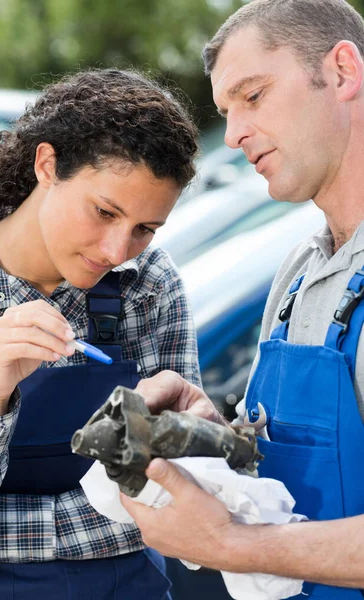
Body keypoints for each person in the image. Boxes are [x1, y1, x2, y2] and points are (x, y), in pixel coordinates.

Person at [120, 0, 364, 598]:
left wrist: (229, 545)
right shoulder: (300, 274)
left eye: (252, 96)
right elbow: (285, 478)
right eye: (226, 112)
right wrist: (211, 431)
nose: (232, 135)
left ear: (343, 71)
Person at [0, 68, 201, 599]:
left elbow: (175, 500)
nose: (117, 252)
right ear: (47, 165)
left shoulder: (148, 287)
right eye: (104, 211)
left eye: (144, 229)